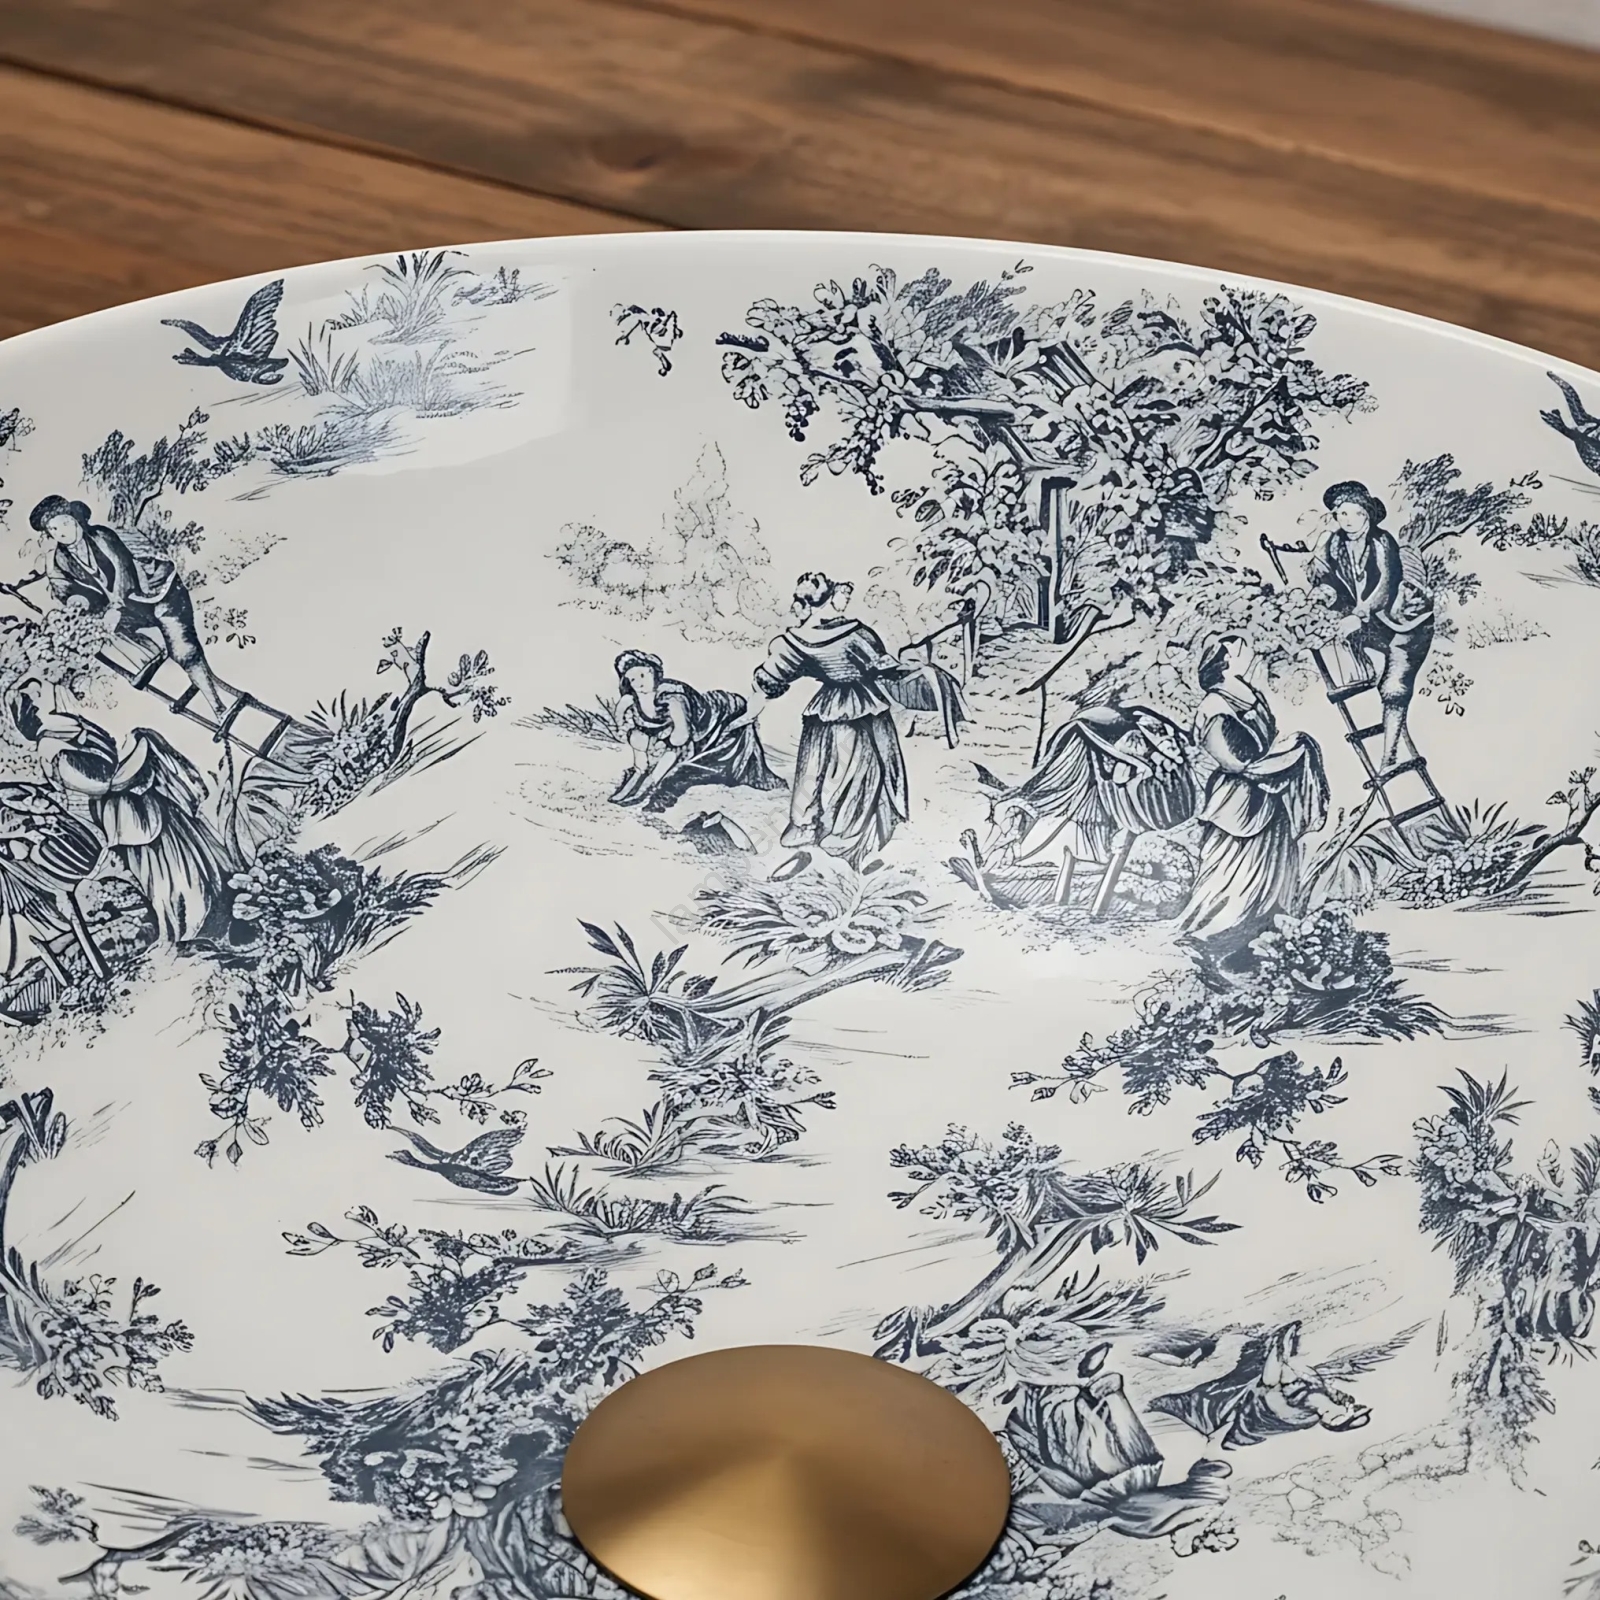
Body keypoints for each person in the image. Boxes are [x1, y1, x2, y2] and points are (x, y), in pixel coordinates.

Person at [10, 681, 240, 946]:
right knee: (167, 865)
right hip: (120, 814)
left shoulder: (66, 725)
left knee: (189, 847)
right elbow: (97, 783)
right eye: (39, 691)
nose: (50, 689)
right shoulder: (49, 745)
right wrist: (137, 757)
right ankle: (194, 922)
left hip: (134, 800)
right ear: (34, 707)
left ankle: (225, 903)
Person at [1178, 636, 1328, 962]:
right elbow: (1234, 761)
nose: (1249, 651)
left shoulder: (1252, 694)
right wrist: (1284, 756)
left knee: (1276, 867)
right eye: (1239, 649)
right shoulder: (1213, 704)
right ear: (1224, 661)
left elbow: (1268, 742)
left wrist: (1287, 751)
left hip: (1269, 794)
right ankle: (1210, 935)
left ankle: (1261, 936)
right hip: (1237, 800)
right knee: (1232, 870)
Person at [752, 573, 914, 869]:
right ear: (829, 599)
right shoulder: (857, 634)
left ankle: (807, 827)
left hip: (826, 710)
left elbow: (771, 679)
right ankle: (846, 835)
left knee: (816, 768)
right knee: (859, 771)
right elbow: (882, 667)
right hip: (862, 707)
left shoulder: (795, 640)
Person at [29, 495, 230, 721]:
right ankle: (157, 658)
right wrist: (78, 603)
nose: (62, 532)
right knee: (112, 639)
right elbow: (65, 590)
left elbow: (123, 569)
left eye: (65, 523)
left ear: (75, 519)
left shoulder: (101, 536)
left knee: (183, 650)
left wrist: (115, 608)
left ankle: (218, 706)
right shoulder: (60, 560)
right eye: (54, 529)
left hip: (156, 592)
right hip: (129, 610)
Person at [1306, 479, 1433, 773]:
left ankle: (1389, 756)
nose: (1348, 520)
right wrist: (1324, 587)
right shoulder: (1334, 543)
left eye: (1355, 513)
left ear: (1367, 514)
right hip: (1371, 624)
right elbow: (1329, 581)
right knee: (1348, 653)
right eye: (1341, 514)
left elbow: (1386, 586)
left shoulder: (1381, 541)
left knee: (1394, 687)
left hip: (1404, 622)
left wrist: (1359, 614)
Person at [609, 649, 783, 811]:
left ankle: (650, 785)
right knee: (639, 740)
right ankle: (637, 777)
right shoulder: (632, 699)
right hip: (688, 720)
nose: (639, 683)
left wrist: (661, 749)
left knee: (679, 759)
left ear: (652, 672)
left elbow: (681, 738)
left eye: (642, 675)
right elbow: (624, 719)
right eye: (633, 680)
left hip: (719, 714)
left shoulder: (673, 698)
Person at [0, 781, 109, 981]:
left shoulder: (11, 796)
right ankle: (96, 969)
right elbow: (16, 851)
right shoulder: (30, 848)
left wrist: (35, 815)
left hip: (81, 855)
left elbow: (41, 803)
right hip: (57, 876)